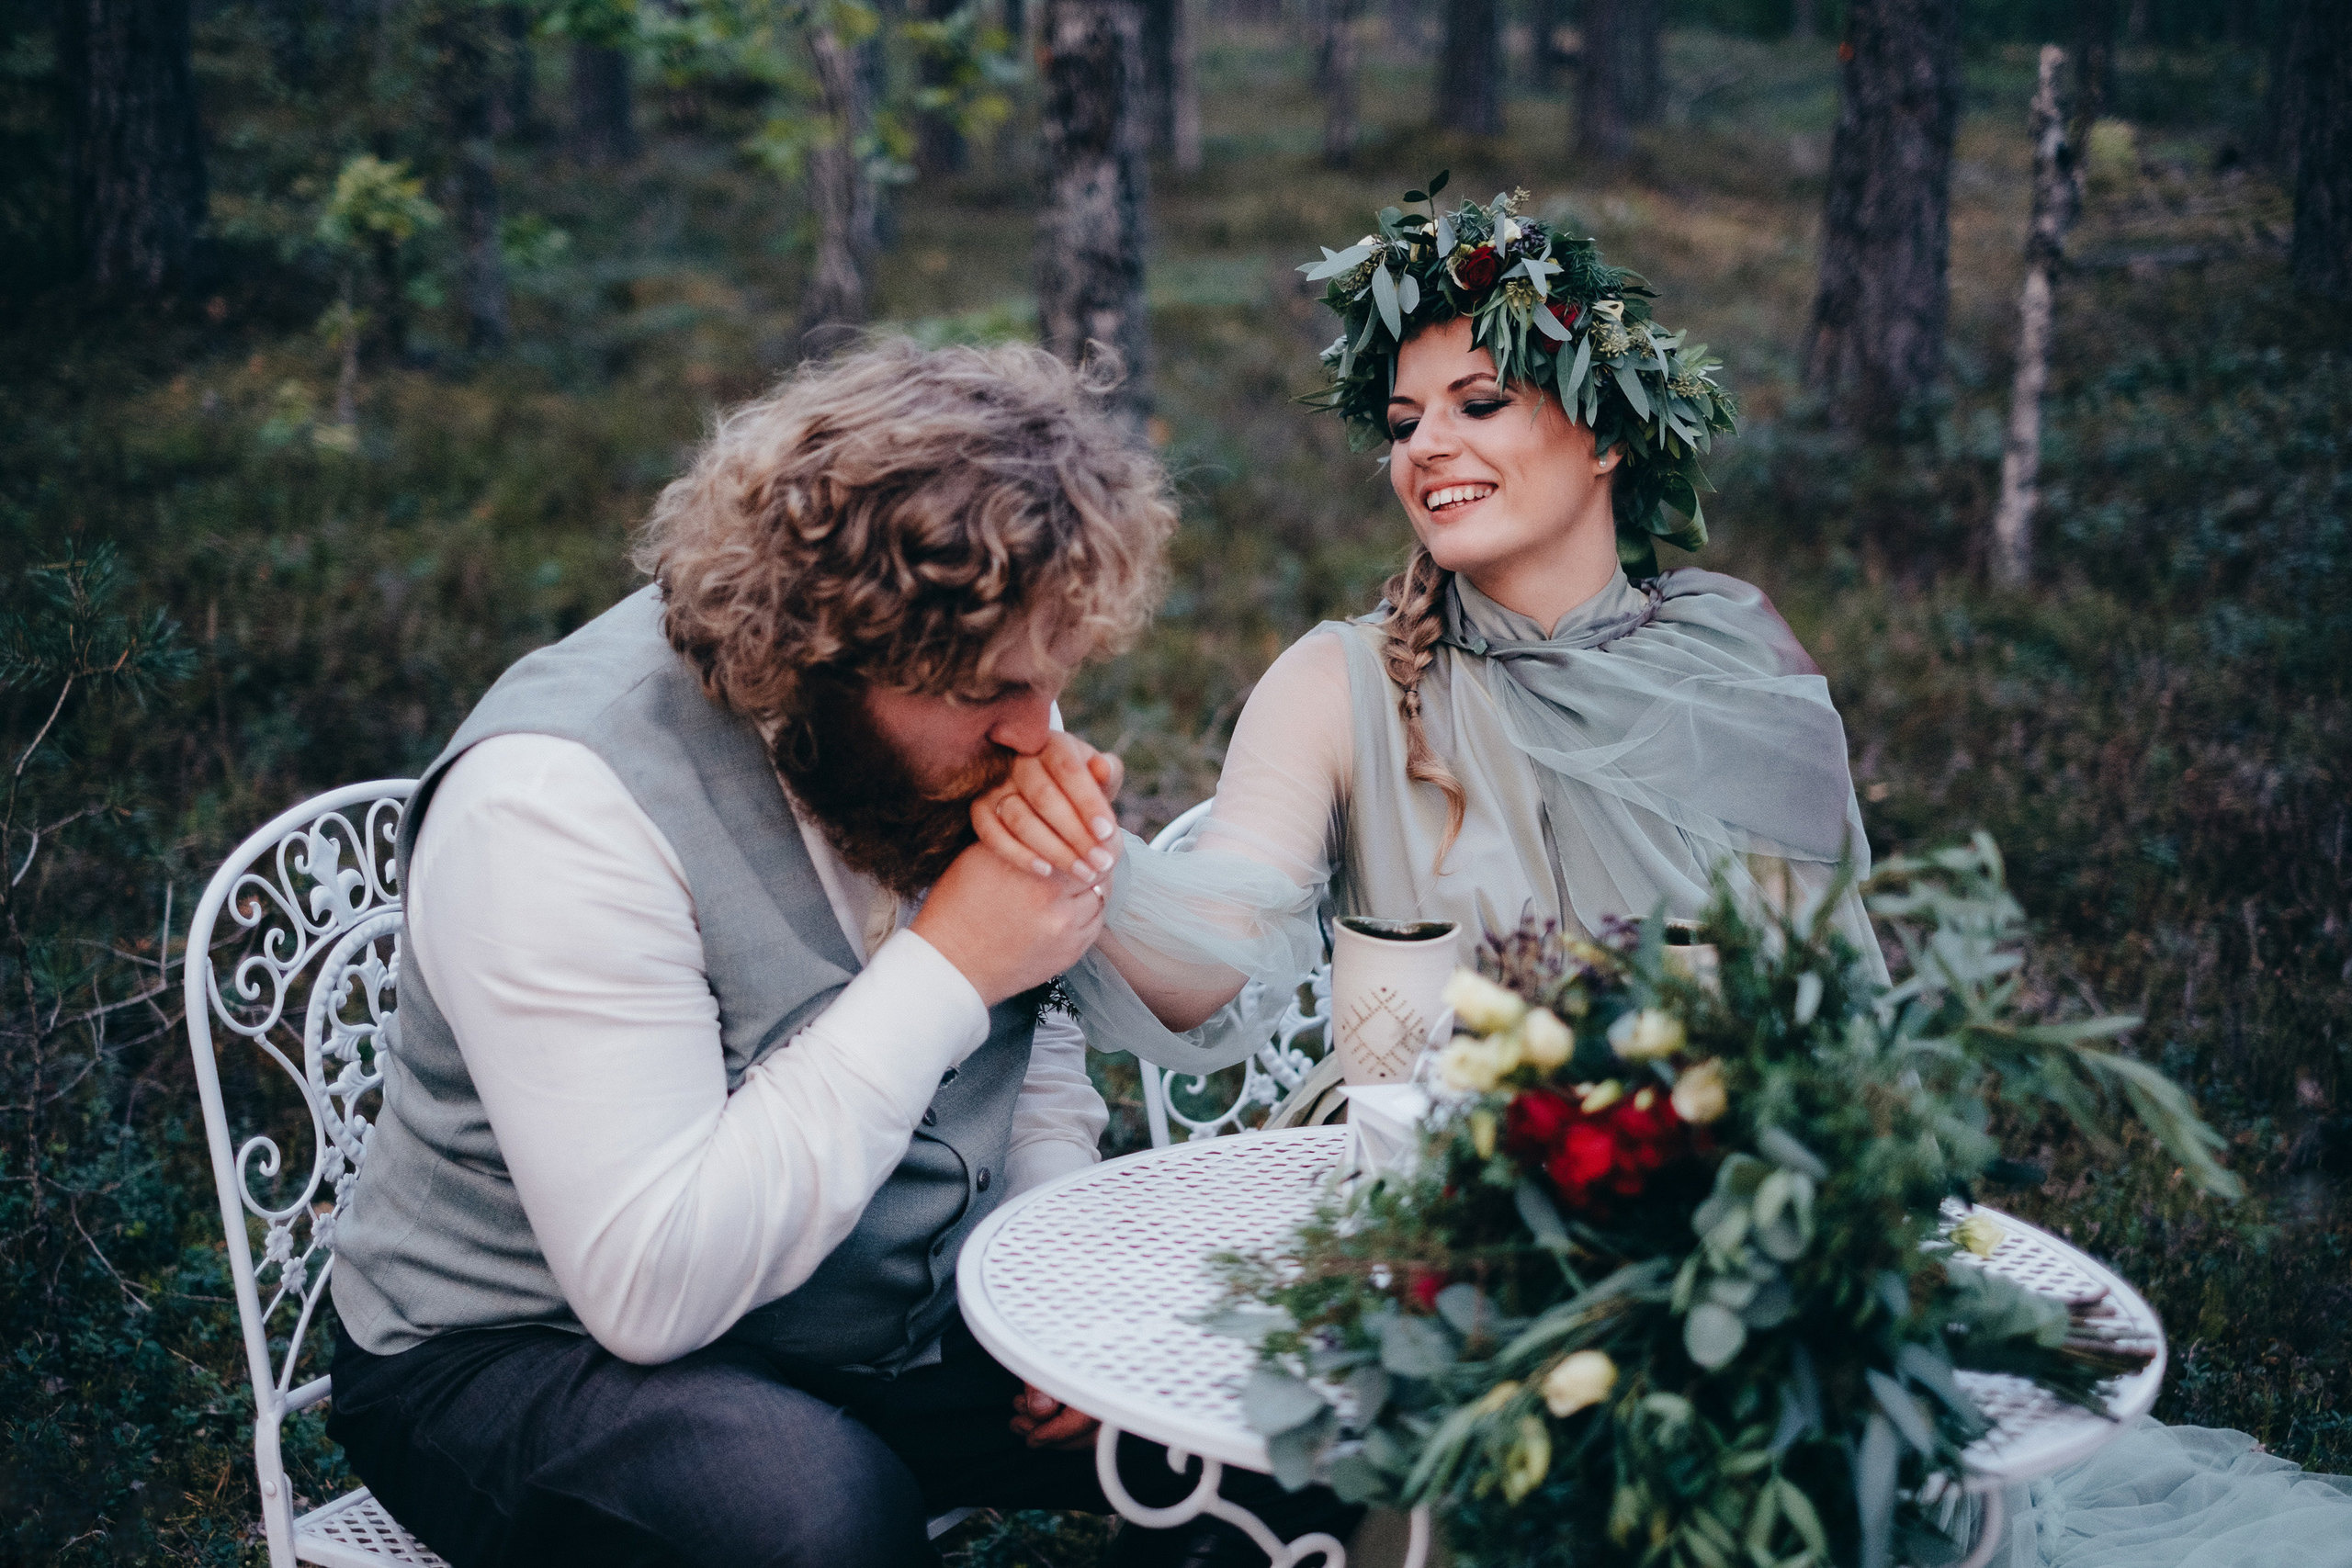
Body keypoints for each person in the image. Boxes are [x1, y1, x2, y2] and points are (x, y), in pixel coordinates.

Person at [985, 186, 2352, 1566]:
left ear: (1609, 432)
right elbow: (1211, 956)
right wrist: (1060, 828)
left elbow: (1832, 1038)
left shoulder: (1737, 672)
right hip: (1422, 1243)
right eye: (1405, 423)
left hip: (1703, 1230)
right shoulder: (1340, 681)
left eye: (1479, 402)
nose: (1427, 450)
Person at [325, 340, 1351, 1568]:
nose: (1037, 732)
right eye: (997, 693)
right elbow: (650, 1287)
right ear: (826, 652)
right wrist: (951, 965)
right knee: (812, 1516)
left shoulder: (970, 680)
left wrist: (1060, 1306)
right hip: (525, 1354)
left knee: (1297, 1408)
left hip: (886, 1320)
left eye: (1055, 680)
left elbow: (1034, 1062)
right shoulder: (556, 801)